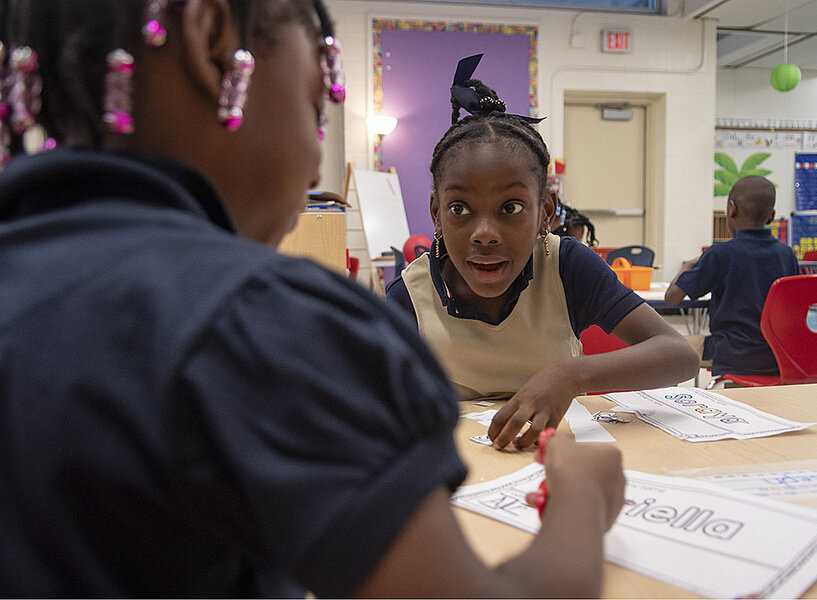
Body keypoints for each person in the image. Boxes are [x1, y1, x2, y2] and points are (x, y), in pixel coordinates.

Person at [0, 2, 626, 597]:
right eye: (315, 103)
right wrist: (581, 494)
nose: (310, 171)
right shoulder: (264, 325)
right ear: (214, 41)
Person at [385, 55, 698, 450]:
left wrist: (570, 375)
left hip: (560, 457)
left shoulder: (565, 266)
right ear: (436, 213)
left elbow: (678, 356)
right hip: (464, 472)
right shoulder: (409, 298)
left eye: (511, 208)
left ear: (545, 212)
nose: (484, 234)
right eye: (459, 209)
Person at [664, 175, 800, 378]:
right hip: (777, 358)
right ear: (771, 216)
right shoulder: (787, 254)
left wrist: (687, 267)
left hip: (732, 354)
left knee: (668, 347)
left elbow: (671, 299)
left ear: (731, 209)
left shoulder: (720, 253)